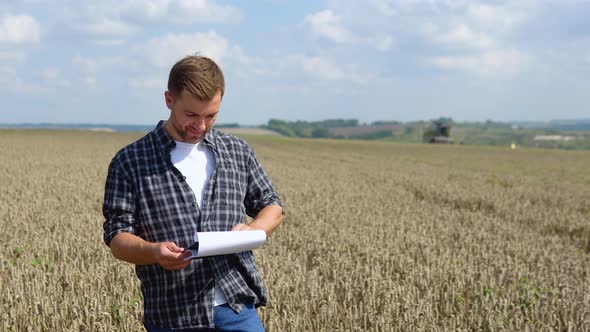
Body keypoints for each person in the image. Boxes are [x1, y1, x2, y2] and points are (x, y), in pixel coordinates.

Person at [102, 55, 283, 331]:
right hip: (173, 313)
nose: (200, 126)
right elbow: (117, 238)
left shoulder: (237, 151)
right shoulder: (131, 161)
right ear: (169, 100)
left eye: (210, 116)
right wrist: (154, 252)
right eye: (191, 115)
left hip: (237, 307)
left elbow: (272, 205)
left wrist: (254, 229)